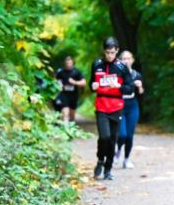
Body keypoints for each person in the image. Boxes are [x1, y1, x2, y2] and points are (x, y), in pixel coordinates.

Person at [90, 37, 133, 180]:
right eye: (107, 52)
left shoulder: (122, 67)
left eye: (112, 53)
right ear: (104, 51)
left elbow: (130, 88)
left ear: (117, 51)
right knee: (104, 137)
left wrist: (119, 86)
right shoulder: (96, 64)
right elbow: (92, 83)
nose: (110, 55)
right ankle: (100, 160)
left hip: (116, 107)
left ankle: (108, 169)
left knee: (113, 139)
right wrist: (93, 86)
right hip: (101, 106)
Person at [115, 50, 144, 169]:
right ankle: (118, 151)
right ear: (120, 61)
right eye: (124, 59)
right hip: (120, 105)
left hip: (132, 105)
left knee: (130, 135)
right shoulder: (116, 74)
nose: (126, 61)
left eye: (128, 58)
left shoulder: (136, 74)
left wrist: (140, 86)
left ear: (132, 60)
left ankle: (126, 159)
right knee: (122, 134)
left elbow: (141, 94)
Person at [54, 56, 86, 123]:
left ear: (73, 62)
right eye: (67, 62)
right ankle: (65, 130)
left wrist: (74, 82)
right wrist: (59, 84)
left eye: (70, 62)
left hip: (74, 95)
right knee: (65, 113)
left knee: (72, 117)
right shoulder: (61, 72)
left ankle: (71, 129)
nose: (68, 63)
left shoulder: (77, 72)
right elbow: (55, 80)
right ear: (65, 63)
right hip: (64, 95)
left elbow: (84, 83)